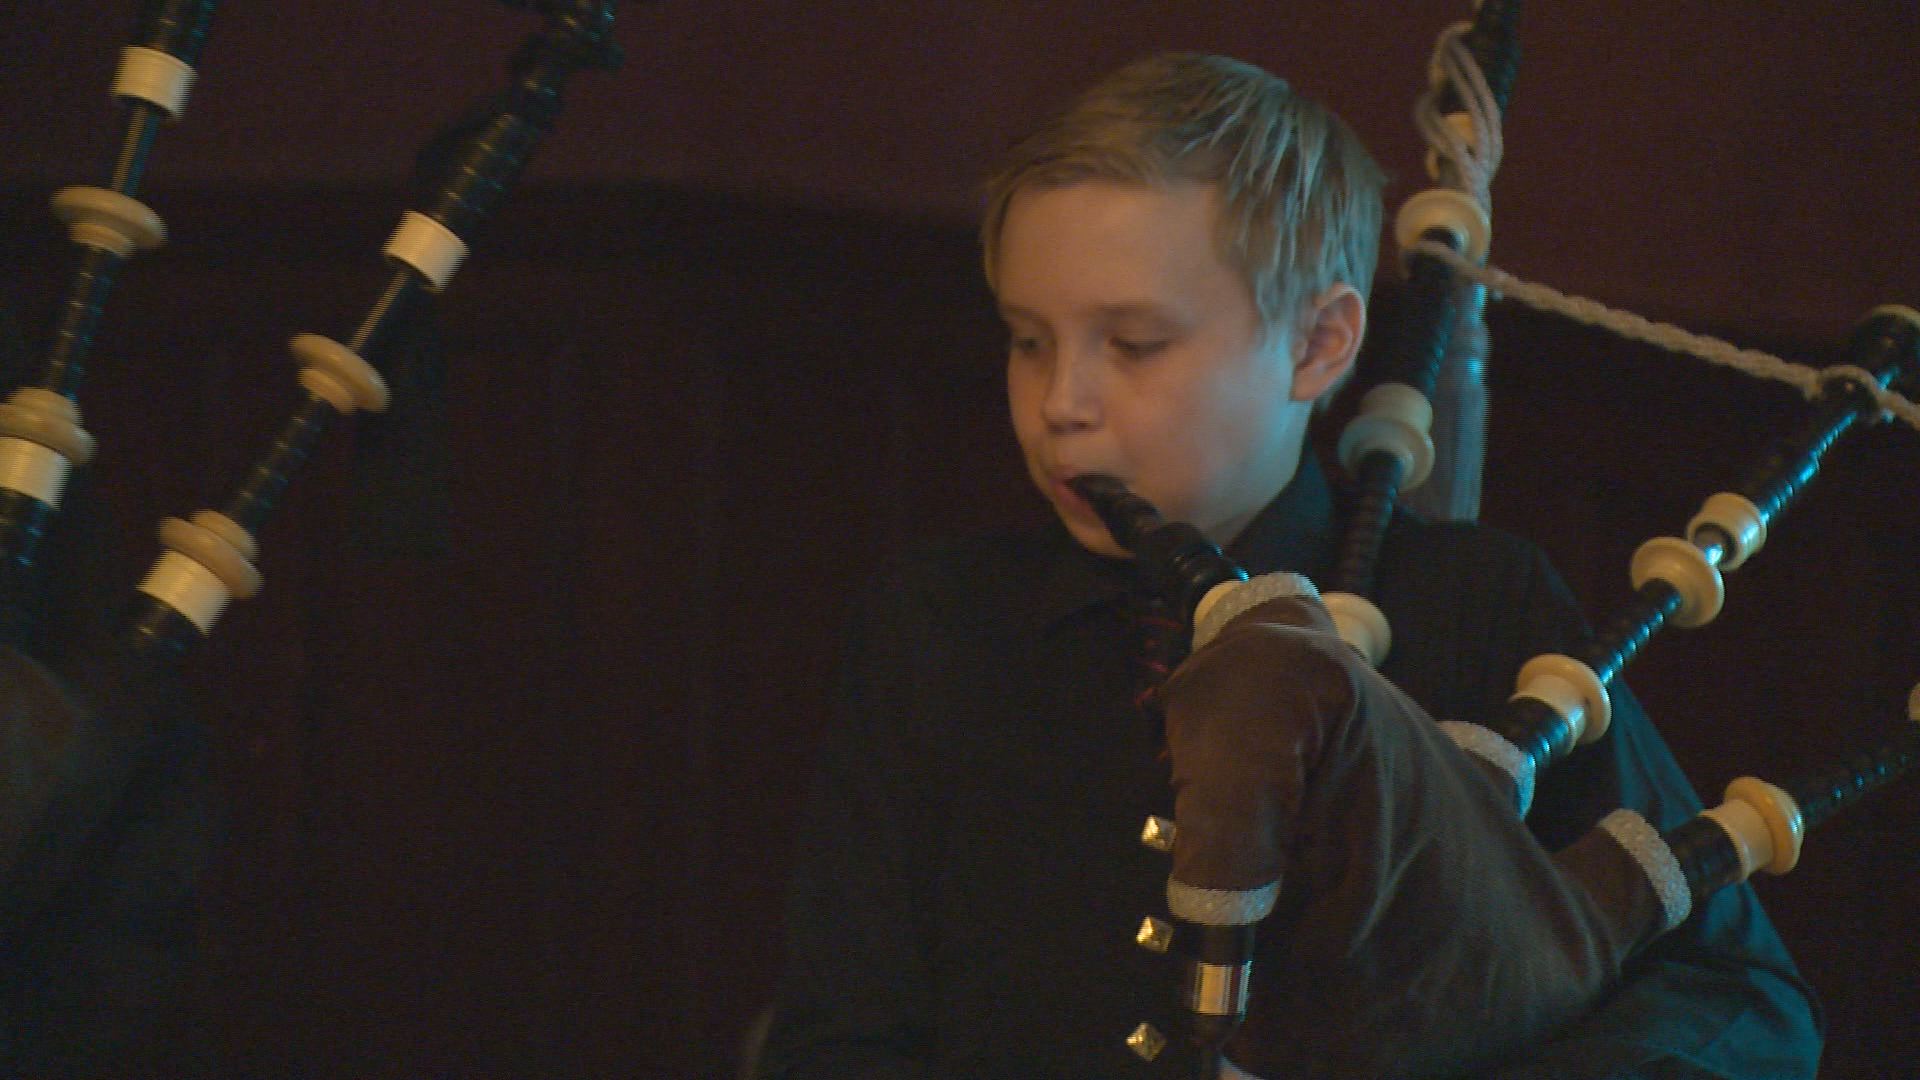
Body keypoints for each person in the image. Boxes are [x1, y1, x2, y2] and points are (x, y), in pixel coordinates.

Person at [758, 53, 1821, 1078]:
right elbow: (836, 1040)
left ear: (1318, 345)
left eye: (1133, 344)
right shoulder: (940, 624)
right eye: (1029, 339)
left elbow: (1744, 1005)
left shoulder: (1478, 605)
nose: (1058, 403)